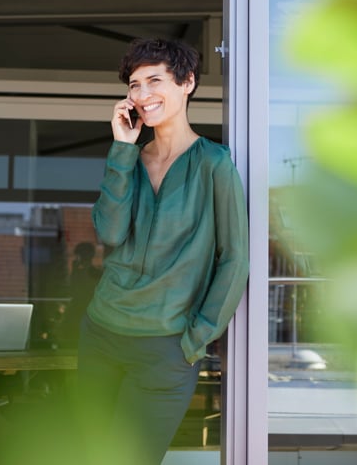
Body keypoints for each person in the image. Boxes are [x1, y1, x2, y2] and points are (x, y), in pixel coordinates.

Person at [75, 37, 250, 465]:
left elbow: (235, 258)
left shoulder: (214, 164)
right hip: (101, 332)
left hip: (166, 347)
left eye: (154, 80)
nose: (142, 94)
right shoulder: (128, 160)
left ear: (187, 82)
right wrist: (121, 147)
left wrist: (196, 337)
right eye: (134, 85)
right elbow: (110, 232)